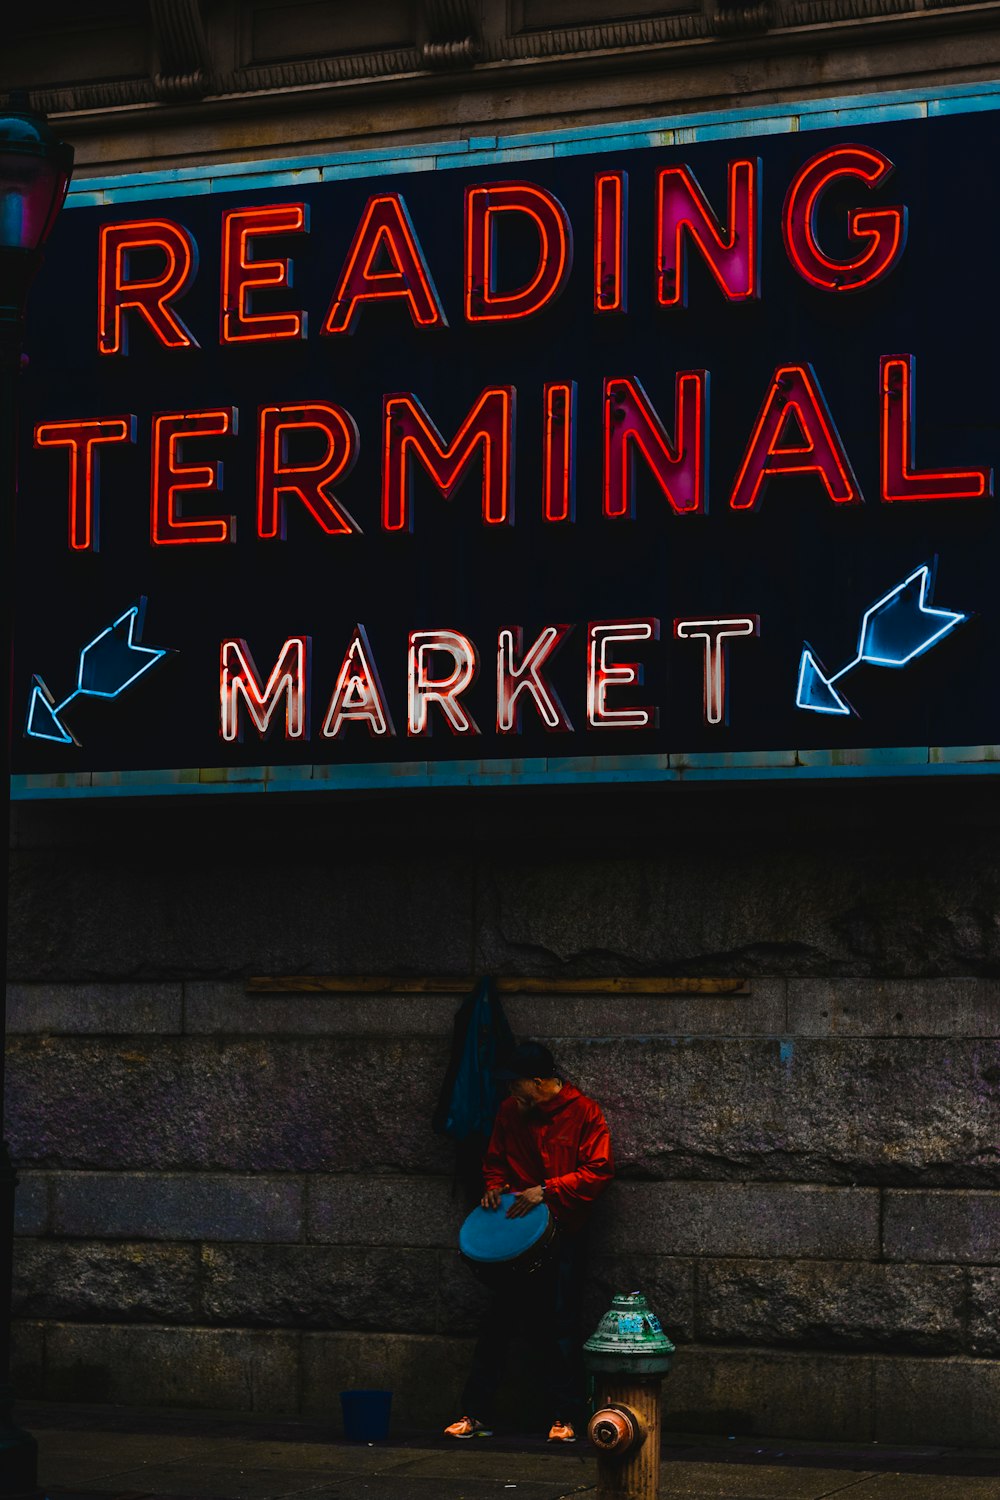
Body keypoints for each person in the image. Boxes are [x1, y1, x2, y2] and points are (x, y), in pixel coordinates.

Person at [444, 1039, 614, 1444]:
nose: (509, 1092)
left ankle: (565, 1416)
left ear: (539, 1083)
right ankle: (476, 1412)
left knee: (560, 1325)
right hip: (515, 1238)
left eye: (515, 1084)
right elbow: (495, 1159)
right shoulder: (509, 1111)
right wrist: (492, 1186)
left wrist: (547, 1190)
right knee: (497, 1325)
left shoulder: (584, 1113)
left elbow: (599, 1169)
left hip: (564, 1234)